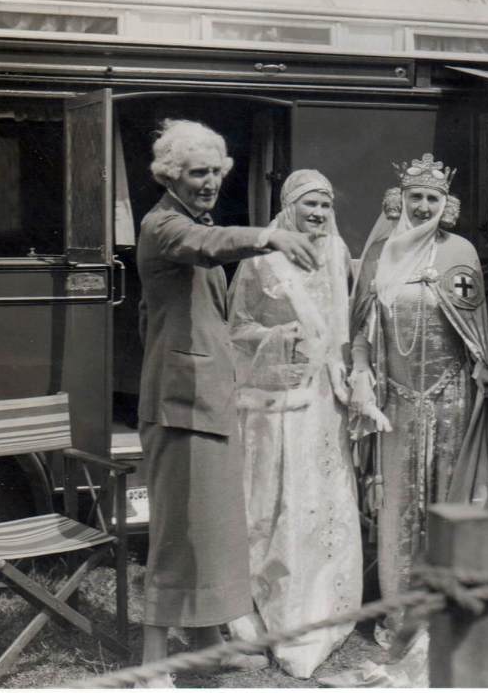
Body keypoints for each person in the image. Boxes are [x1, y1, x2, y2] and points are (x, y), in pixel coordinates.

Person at [136, 119, 321, 686]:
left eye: (217, 171)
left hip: (207, 395)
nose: (211, 182)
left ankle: (206, 643)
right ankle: (152, 666)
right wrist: (269, 236)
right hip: (179, 402)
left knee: (212, 529)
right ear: (171, 174)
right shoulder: (163, 226)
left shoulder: (194, 223)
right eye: (198, 172)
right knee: (177, 534)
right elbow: (207, 247)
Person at [348, 153, 488, 651]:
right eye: (416, 196)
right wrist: (362, 373)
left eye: (433, 198)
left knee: (448, 504)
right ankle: (400, 615)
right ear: (400, 199)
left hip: (452, 397)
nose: (424, 206)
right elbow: (361, 328)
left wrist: (482, 373)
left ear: (445, 204)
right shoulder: (379, 254)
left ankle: (447, 616)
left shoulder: (460, 251)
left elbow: (475, 332)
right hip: (395, 402)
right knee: (397, 508)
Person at [226, 170, 362, 678]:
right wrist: (279, 337)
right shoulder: (263, 258)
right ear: (289, 208)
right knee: (275, 501)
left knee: (321, 499)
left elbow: (342, 328)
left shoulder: (337, 252)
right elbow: (237, 328)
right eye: (310, 205)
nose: (319, 214)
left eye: (326, 205)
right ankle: (270, 611)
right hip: (275, 399)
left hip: (323, 398)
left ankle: (321, 607)